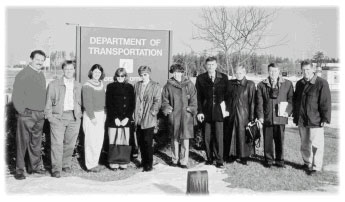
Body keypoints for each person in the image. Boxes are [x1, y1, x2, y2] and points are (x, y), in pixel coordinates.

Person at [12, 50, 47, 180]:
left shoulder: (41, 75)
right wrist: (22, 111)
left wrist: (43, 111)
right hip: (27, 114)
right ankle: (19, 170)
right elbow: (16, 95)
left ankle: (34, 167)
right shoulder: (23, 74)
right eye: (37, 59)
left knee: (36, 142)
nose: (40, 62)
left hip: (39, 114)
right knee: (22, 143)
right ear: (31, 59)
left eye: (42, 60)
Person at [44, 60, 82, 178]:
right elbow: (48, 102)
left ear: (74, 70)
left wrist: (79, 115)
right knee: (57, 144)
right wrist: (50, 117)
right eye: (66, 69)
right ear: (63, 70)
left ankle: (66, 164)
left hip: (74, 118)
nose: (69, 71)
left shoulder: (78, 85)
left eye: (71, 69)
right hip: (58, 117)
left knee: (70, 143)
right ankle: (56, 168)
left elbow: (82, 102)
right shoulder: (53, 84)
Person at [293, 61, 331, 175]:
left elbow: (325, 102)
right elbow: (296, 101)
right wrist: (295, 115)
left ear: (313, 69)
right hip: (302, 119)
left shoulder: (321, 83)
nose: (306, 72)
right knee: (304, 143)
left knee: (316, 145)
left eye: (308, 70)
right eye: (303, 70)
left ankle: (316, 167)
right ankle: (307, 163)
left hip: (316, 119)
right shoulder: (299, 84)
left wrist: (325, 118)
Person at [256, 63, 294, 168]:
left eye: (275, 71)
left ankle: (280, 161)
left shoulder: (287, 84)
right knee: (267, 141)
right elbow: (259, 103)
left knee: (280, 140)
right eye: (271, 71)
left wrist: (288, 111)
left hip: (280, 117)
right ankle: (268, 160)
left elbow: (291, 100)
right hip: (267, 117)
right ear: (268, 71)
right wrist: (260, 116)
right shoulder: (261, 85)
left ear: (279, 72)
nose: (273, 73)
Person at [161, 64, 197, 169]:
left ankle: (184, 161)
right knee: (174, 138)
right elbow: (164, 100)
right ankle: (174, 159)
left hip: (186, 115)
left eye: (179, 72)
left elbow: (194, 98)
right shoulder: (168, 85)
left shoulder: (189, 84)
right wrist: (167, 108)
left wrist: (191, 108)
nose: (177, 74)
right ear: (172, 73)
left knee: (185, 138)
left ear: (182, 73)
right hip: (174, 115)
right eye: (175, 72)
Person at [195, 56, 228, 168]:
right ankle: (209, 158)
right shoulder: (200, 78)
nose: (210, 67)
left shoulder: (223, 77)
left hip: (219, 112)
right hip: (206, 112)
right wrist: (199, 111)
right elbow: (198, 97)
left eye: (213, 65)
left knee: (219, 137)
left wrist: (226, 110)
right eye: (208, 65)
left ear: (216, 65)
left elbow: (228, 96)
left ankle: (219, 159)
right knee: (207, 137)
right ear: (205, 66)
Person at [224, 66, 256, 165]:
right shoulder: (230, 83)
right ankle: (232, 154)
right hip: (232, 114)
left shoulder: (250, 84)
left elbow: (252, 102)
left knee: (243, 136)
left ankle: (244, 156)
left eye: (240, 73)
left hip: (244, 115)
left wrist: (251, 117)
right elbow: (226, 98)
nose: (238, 75)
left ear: (244, 73)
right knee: (232, 135)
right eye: (236, 73)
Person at [106, 68, 135, 170]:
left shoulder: (130, 87)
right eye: (118, 76)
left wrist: (127, 117)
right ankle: (113, 161)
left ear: (125, 76)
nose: (120, 78)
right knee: (113, 139)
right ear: (115, 76)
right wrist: (115, 118)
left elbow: (132, 104)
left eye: (122, 76)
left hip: (125, 119)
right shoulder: (110, 87)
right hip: (114, 119)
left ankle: (123, 160)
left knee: (124, 139)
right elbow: (108, 104)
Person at [133, 65, 161, 172]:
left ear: (149, 74)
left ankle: (149, 164)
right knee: (140, 141)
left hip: (148, 117)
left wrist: (152, 112)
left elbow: (157, 101)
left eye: (145, 74)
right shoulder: (137, 85)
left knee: (147, 141)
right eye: (141, 75)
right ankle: (143, 161)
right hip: (138, 117)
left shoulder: (155, 86)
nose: (143, 77)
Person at [82, 64, 106, 172]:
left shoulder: (101, 84)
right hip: (91, 115)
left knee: (98, 140)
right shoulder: (87, 85)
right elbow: (87, 103)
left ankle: (95, 162)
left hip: (101, 115)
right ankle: (90, 165)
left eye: (99, 72)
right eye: (95, 72)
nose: (97, 74)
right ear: (91, 72)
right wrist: (92, 117)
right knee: (91, 141)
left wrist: (105, 114)